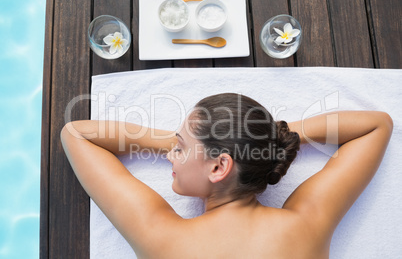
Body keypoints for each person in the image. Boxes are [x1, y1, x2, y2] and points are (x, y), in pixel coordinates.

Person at [61, 93, 393, 258]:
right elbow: (376, 126)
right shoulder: (306, 227)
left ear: (220, 167)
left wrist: (179, 141)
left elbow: (76, 134)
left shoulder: (164, 239)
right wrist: (271, 138)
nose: (169, 155)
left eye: (178, 146)